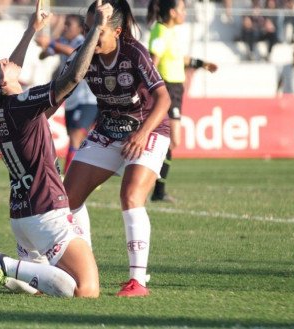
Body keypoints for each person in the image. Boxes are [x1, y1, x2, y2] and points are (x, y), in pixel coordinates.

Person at [0, 0, 113, 298]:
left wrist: (30, 30)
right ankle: (0, 263)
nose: (8, 60)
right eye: (3, 64)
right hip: (46, 211)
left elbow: (8, 74)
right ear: (2, 80)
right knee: (87, 290)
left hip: (22, 215)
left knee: (43, 287)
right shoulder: (23, 105)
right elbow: (73, 78)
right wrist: (96, 30)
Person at [61, 0, 172, 297]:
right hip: (109, 130)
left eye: (97, 31)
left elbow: (163, 99)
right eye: (87, 30)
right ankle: (83, 268)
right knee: (66, 199)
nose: (90, 37)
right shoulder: (84, 55)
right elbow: (56, 91)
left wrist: (142, 134)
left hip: (146, 129)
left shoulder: (134, 52)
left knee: (131, 195)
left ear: (118, 31)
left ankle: (138, 281)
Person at [147, 0, 218, 202]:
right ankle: (152, 186)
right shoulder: (160, 32)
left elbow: (180, 59)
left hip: (176, 88)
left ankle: (157, 191)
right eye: (182, 9)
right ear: (172, 12)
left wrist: (202, 64)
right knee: (172, 140)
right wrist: (154, 90)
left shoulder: (171, 33)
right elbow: (153, 63)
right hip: (167, 88)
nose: (184, 13)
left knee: (171, 140)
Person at [36, 14, 99, 173]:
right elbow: (43, 55)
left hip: (87, 98)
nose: (65, 27)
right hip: (71, 99)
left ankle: (69, 176)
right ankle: (87, 172)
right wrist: (50, 44)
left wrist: (51, 43)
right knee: (78, 138)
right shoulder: (63, 41)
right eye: (64, 24)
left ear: (79, 28)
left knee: (76, 137)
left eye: (68, 24)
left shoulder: (82, 42)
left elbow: (75, 53)